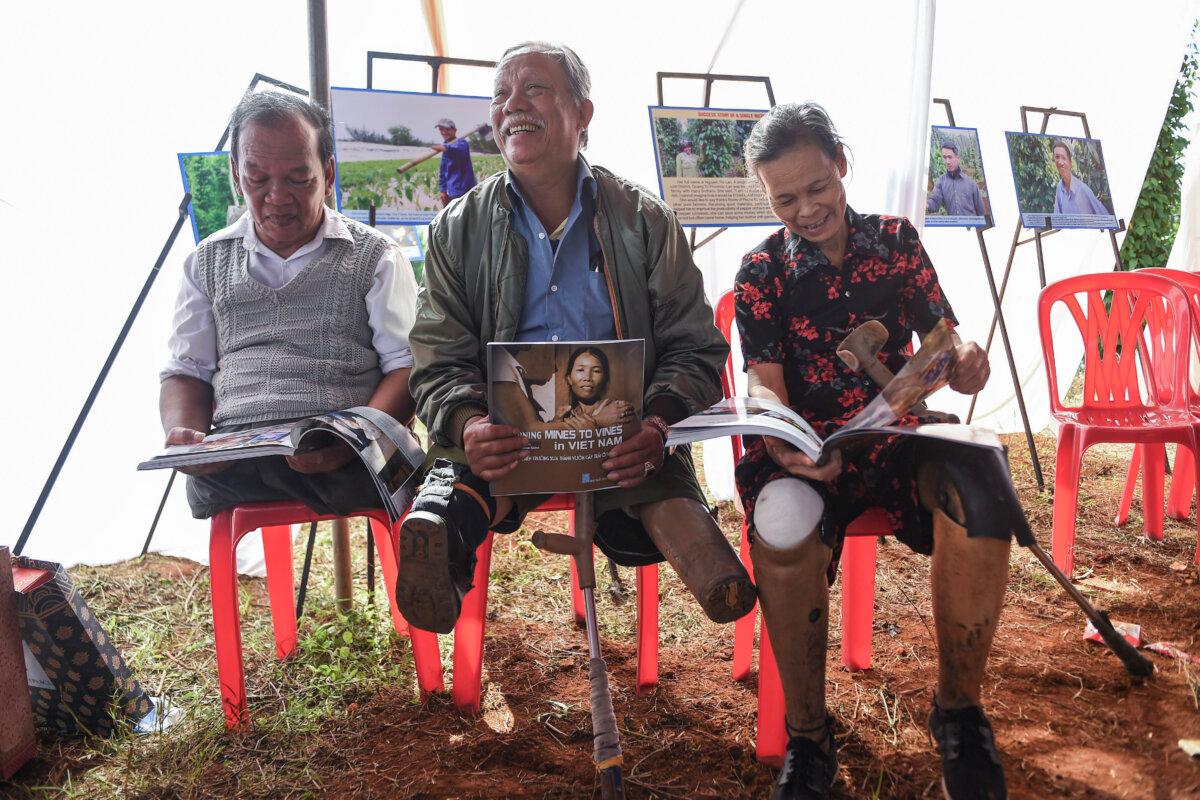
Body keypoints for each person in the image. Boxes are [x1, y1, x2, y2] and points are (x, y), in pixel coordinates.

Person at [397, 41, 755, 635]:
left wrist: (657, 424)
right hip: (504, 433)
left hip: (622, 434)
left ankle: (710, 564)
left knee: (657, 483)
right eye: (501, 95)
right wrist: (468, 424)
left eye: (534, 89)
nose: (513, 105)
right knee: (459, 486)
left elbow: (695, 346)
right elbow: (437, 357)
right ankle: (443, 543)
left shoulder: (644, 219)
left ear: (583, 112)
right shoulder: (456, 229)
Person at [734, 103, 1032, 800]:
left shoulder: (897, 242)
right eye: (784, 199)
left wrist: (966, 359)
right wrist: (784, 439)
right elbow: (764, 385)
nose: (806, 210)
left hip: (898, 437)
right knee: (781, 523)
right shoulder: (761, 272)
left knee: (979, 487)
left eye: (817, 187)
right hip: (812, 451)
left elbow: (944, 335)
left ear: (841, 164)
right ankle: (809, 738)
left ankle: (958, 712)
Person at [160, 90, 419, 519]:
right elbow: (187, 371)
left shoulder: (375, 256)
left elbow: (406, 368)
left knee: (373, 475)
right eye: (257, 179)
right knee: (207, 484)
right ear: (235, 175)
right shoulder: (205, 261)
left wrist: (353, 439)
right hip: (238, 449)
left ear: (328, 174)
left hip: (343, 443)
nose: (277, 197)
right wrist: (185, 435)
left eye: (299, 179)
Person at [554, 346, 632, 429]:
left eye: (596, 371)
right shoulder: (566, 416)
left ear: (605, 379)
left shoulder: (618, 410)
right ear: (569, 378)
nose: (587, 378)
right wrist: (556, 423)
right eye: (580, 370)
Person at [926, 141, 986, 217]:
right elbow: (934, 202)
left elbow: (981, 212)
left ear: (958, 158)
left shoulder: (971, 183)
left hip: (971, 224)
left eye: (950, 157)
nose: (947, 161)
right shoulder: (941, 182)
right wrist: (926, 205)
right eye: (944, 157)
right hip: (953, 224)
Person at [1052, 141, 1109, 216]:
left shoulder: (1083, 189)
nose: (1060, 162)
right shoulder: (1060, 187)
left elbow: (1105, 215)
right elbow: (1057, 217)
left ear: (1070, 163)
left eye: (1063, 158)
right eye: (1057, 157)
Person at [431, 118, 477, 207]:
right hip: (451, 190)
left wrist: (445, 148)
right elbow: (443, 171)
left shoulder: (462, 143)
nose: (444, 132)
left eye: (447, 129)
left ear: (455, 130)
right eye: (441, 129)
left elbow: (456, 151)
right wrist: (443, 190)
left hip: (465, 190)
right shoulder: (445, 147)